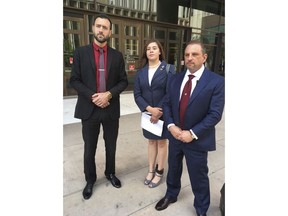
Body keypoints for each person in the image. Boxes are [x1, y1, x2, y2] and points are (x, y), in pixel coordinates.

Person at [155, 40, 225, 216]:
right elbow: (168, 103)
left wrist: (192, 133)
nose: (190, 58)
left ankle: (201, 209)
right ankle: (171, 194)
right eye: (187, 55)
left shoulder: (217, 82)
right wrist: (170, 126)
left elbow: (215, 114)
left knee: (198, 176)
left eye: (194, 54)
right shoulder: (175, 79)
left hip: (197, 139)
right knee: (174, 168)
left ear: (204, 57)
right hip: (175, 135)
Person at [70, 13, 128, 200]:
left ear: (110, 32)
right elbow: (75, 80)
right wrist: (93, 96)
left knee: (111, 146)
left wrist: (108, 94)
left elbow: (123, 81)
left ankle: (110, 173)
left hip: (110, 109)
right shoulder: (80, 53)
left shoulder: (117, 56)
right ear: (93, 28)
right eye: (98, 26)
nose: (101, 30)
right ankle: (90, 179)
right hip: (90, 109)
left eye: (105, 27)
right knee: (90, 148)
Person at [133, 39, 175, 188]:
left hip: (163, 114)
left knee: (162, 143)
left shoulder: (169, 69)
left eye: (154, 48)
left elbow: (170, 93)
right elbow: (137, 94)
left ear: (159, 51)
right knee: (151, 142)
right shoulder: (141, 72)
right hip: (147, 114)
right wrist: (150, 110)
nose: (151, 50)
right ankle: (150, 170)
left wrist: (158, 111)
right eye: (148, 48)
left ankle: (159, 171)